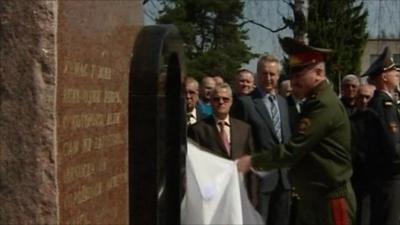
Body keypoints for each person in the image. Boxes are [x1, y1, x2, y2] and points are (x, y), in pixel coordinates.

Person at [237, 37, 355, 225]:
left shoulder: (323, 105)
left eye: (299, 75)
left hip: (329, 201)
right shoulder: (313, 103)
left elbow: (293, 150)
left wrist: (252, 161)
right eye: (292, 75)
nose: (293, 81)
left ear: (317, 73)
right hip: (314, 198)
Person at [233, 54, 292, 225]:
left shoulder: (283, 103)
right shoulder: (246, 103)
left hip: (284, 178)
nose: (268, 78)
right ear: (257, 75)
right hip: (258, 180)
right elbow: (240, 143)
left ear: (278, 76)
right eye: (264, 73)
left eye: (272, 74)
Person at [362, 46, 400, 225]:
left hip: (381, 178)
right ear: (384, 77)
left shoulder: (378, 103)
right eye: (394, 71)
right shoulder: (384, 105)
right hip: (389, 179)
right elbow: (394, 147)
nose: (397, 74)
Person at [349, 84, 387, 225]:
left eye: (367, 97)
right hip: (360, 178)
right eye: (360, 97)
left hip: (382, 178)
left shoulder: (382, 119)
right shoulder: (350, 121)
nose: (364, 101)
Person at [188, 83, 254, 160]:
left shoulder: (244, 129)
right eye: (216, 99)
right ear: (211, 102)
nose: (221, 102)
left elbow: (249, 159)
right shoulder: (197, 130)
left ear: (231, 101)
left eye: (225, 99)